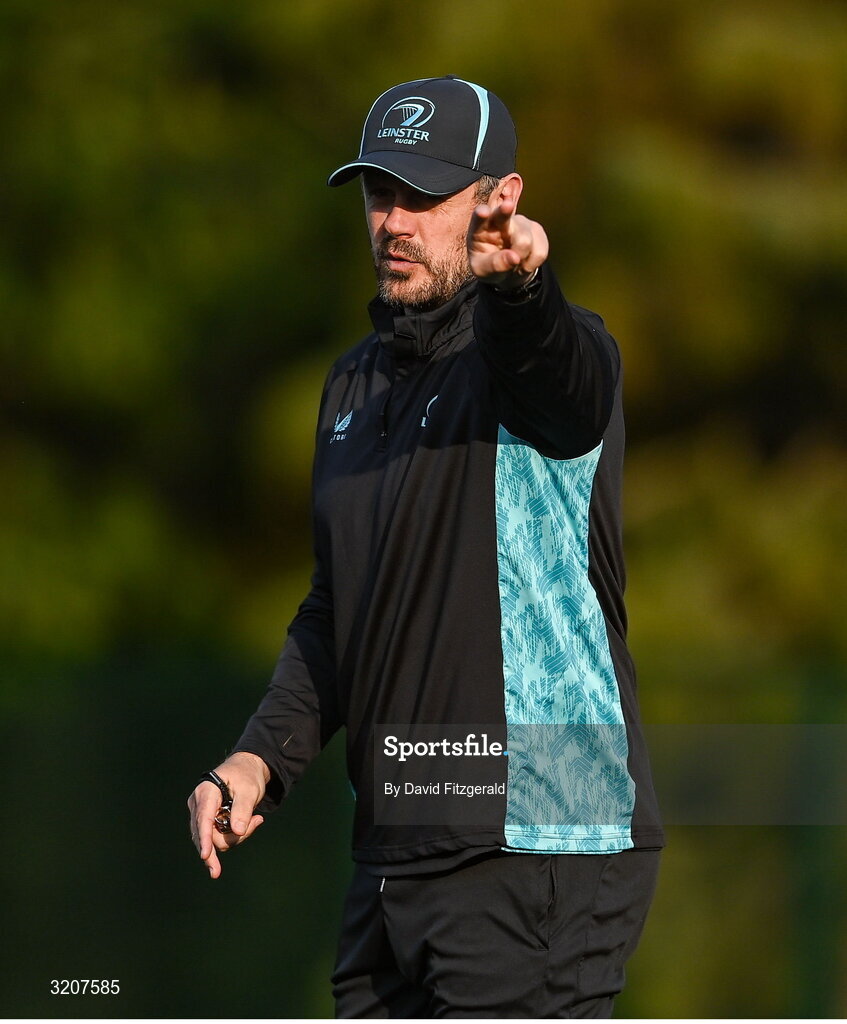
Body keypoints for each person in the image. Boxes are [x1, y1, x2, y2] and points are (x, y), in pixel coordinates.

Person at [188, 74, 664, 1018]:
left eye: (423, 195)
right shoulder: (352, 388)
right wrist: (258, 759)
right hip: (396, 851)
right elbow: (338, 609)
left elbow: (558, 377)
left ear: (499, 200)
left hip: (540, 844)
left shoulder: (547, 353)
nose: (393, 222)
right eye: (378, 194)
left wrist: (524, 289)